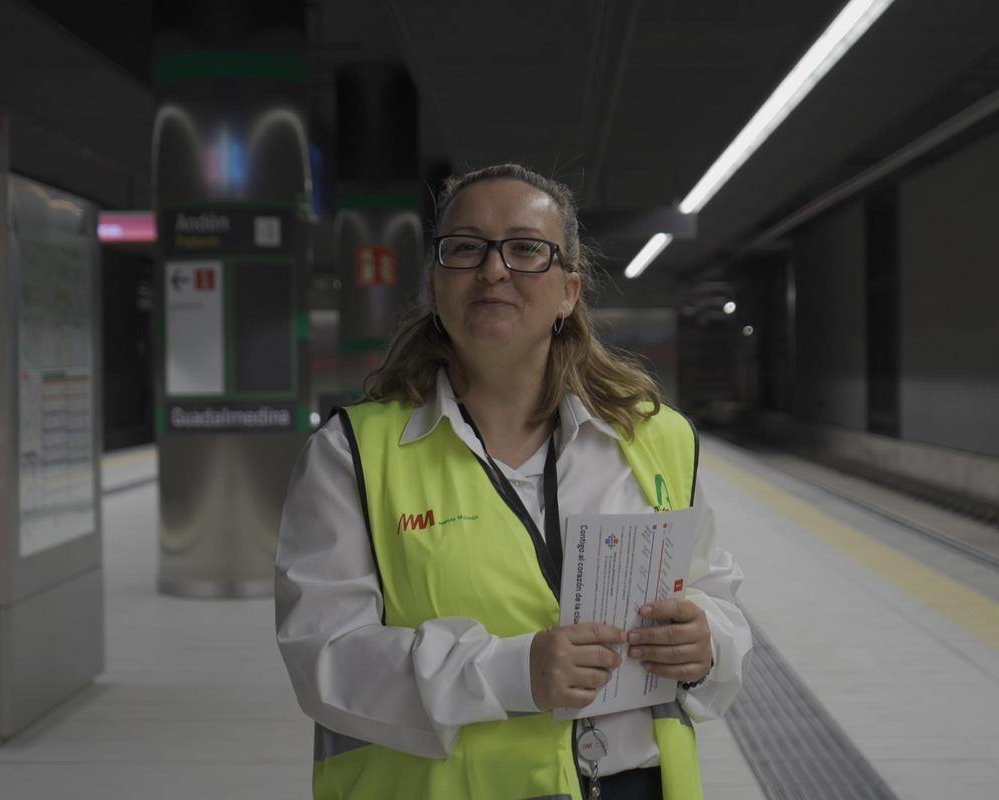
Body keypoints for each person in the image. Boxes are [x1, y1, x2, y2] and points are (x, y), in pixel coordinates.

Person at [276, 163, 751, 800]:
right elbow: (324, 655)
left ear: (568, 292)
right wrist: (511, 672)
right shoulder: (353, 454)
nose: (494, 270)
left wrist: (708, 641)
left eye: (527, 249)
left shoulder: (658, 440)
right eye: (465, 248)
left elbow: (712, 593)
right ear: (436, 284)